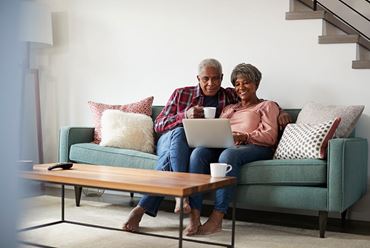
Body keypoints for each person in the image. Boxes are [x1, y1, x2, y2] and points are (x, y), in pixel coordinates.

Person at [123, 58, 290, 232]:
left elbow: (262, 105)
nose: (211, 83)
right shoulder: (183, 94)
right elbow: (158, 125)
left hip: (222, 145)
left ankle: (185, 210)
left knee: (200, 152)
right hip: (171, 138)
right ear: (198, 78)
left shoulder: (229, 96)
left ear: (222, 78)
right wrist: (184, 116)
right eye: (205, 79)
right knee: (183, 137)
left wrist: (281, 112)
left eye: (216, 78)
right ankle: (184, 199)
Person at [184, 63, 280, 236]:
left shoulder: (267, 106)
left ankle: (217, 218)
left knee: (229, 154)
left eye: (246, 83)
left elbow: (270, 136)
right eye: (237, 84)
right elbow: (217, 129)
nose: (241, 87)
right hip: (227, 145)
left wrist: (244, 137)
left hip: (255, 147)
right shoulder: (229, 108)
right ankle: (195, 215)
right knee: (199, 153)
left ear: (256, 84)